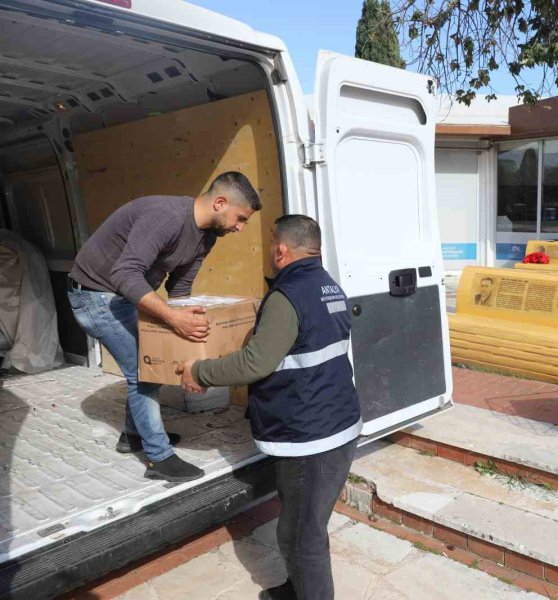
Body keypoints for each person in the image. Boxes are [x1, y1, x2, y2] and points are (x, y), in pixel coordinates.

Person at [178, 215, 361, 600]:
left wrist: (200, 370)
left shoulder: (286, 296)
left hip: (308, 437)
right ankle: (297, 590)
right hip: (337, 425)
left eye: (271, 245)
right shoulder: (330, 286)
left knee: (301, 535)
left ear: (281, 250)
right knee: (302, 526)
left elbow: (254, 363)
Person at [67, 172, 261, 482]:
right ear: (220, 202)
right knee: (143, 370)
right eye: (240, 219)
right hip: (94, 296)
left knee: (150, 366)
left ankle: (132, 436)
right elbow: (125, 274)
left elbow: (181, 287)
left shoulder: (207, 235)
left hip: (124, 294)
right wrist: (173, 319)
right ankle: (158, 458)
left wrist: (187, 328)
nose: (240, 227)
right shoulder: (166, 217)